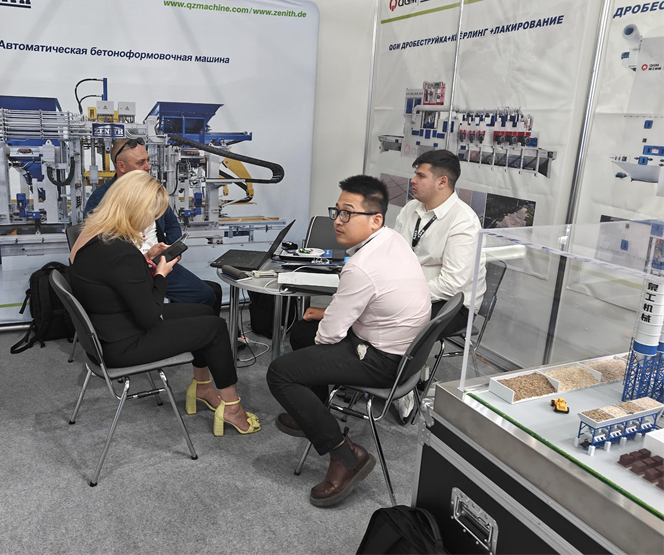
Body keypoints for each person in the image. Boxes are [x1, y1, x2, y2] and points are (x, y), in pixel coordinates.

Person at [267, 175, 430, 507]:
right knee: (301, 332)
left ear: (375, 219)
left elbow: (329, 336)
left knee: (280, 373)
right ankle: (311, 414)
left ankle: (346, 455)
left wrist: (326, 319)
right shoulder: (393, 240)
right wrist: (326, 316)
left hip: (381, 360)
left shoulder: (361, 266)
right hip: (405, 353)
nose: (338, 221)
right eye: (337, 211)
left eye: (348, 213)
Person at [70, 171, 260, 436]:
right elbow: (149, 316)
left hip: (108, 329)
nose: (151, 219)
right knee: (215, 328)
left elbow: (117, 280)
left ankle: (203, 387)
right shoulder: (122, 253)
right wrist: (160, 275)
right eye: (151, 212)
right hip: (123, 344)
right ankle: (232, 408)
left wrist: (145, 257)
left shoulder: (96, 237)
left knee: (204, 311)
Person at [392, 149, 486, 419]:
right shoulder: (411, 209)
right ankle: (383, 371)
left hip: (454, 306)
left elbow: (452, 284)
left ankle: (402, 387)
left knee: (397, 319)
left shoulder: (463, 221)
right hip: (413, 292)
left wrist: (405, 296)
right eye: (415, 174)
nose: (413, 180)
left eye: (420, 175)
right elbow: (394, 253)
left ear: (442, 181)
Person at [84, 137, 222, 315]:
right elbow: (98, 247)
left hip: (158, 260)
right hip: (130, 270)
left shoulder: (150, 191)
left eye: (148, 160)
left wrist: (171, 249)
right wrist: (141, 261)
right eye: (141, 162)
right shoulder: (102, 198)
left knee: (212, 292)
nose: (148, 167)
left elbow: (171, 223)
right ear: (121, 166)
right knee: (205, 296)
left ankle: (187, 325)